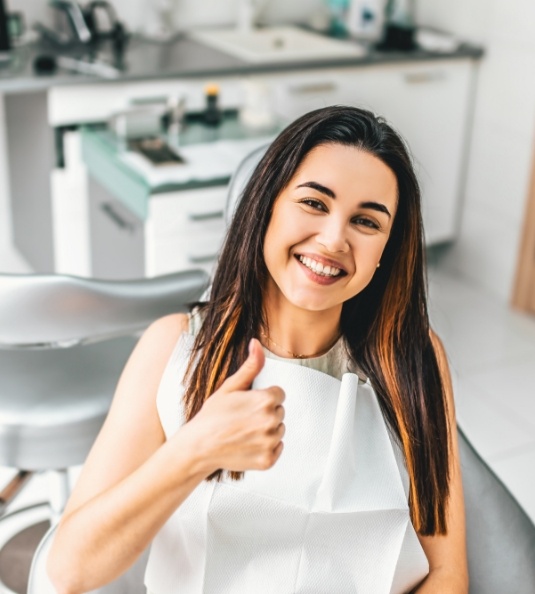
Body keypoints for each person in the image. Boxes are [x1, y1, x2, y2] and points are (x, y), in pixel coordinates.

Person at [48, 105, 468, 593]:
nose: (333, 239)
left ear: (386, 253)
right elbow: (70, 570)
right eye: (314, 203)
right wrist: (194, 451)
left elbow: (447, 572)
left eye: (366, 222)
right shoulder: (175, 348)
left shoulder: (413, 356)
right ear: (265, 206)